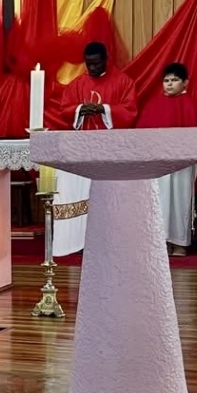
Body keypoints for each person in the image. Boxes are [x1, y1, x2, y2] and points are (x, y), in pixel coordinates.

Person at [52, 41, 137, 257]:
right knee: (83, 193)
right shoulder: (77, 84)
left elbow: (130, 112)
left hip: (111, 149)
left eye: (96, 63)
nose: (92, 68)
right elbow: (64, 109)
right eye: (88, 64)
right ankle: (80, 239)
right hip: (83, 149)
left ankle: (111, 239)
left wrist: (104, 109)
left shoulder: (123, 82)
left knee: (109, 196)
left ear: (106, 60)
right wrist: (80, 109)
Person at [136, 63, 197, 256]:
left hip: (183, 163)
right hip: (159, 163)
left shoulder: (192, 104)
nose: (170, 84)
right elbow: (143, 136)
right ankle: (162, 241)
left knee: (181, 200)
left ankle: (180, 242)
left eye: (174, 80)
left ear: (185, 83)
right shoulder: (153, 105)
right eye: (166, 80)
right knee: (159, 201)